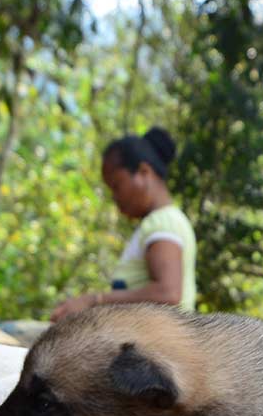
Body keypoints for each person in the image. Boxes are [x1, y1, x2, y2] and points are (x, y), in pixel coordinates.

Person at [50, 127, 197, 321]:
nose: (115, 198)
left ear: (144, 172)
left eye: (117, 186)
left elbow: (168, 294)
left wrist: (94, 301)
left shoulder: (163, 222)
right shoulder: (158, 222)